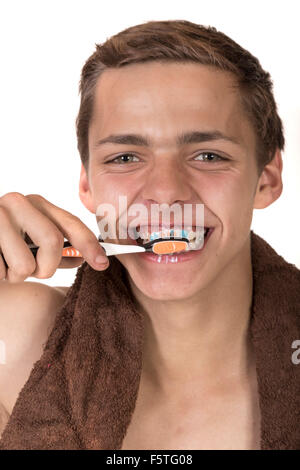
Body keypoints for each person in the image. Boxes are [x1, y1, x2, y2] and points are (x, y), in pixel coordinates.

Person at [0, 19, 295, 449]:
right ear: (87, 184)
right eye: (124, 157)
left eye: (208, 155)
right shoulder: (15, 340)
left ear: (266, 178)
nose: (165, 192)